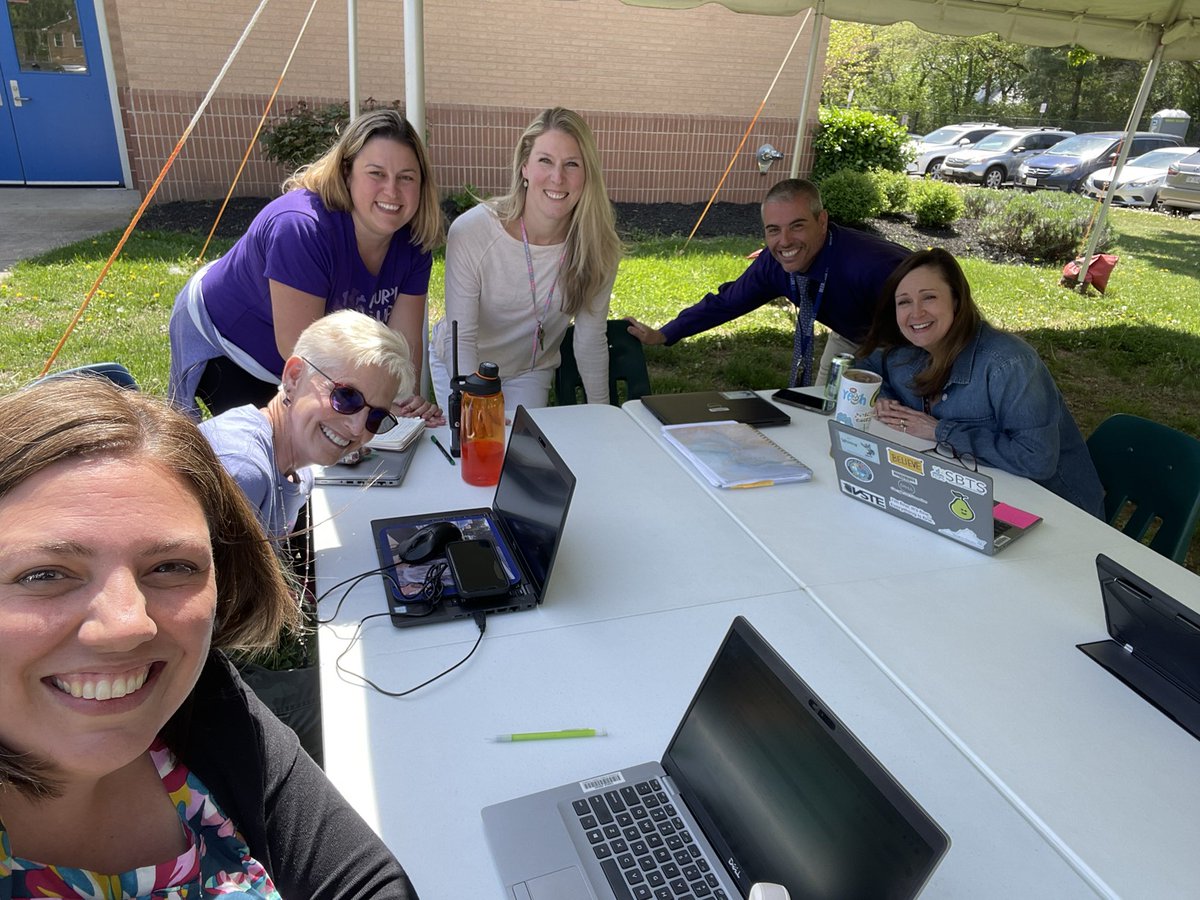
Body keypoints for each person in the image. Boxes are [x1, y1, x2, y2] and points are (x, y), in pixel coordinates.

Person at [0, 377, 417, 898]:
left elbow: (368, 883)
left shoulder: (201, 704)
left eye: (171, 566)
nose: (129, 624)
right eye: (43, 574)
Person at [169, 108, 442, 424]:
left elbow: (403, 355)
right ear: (346, 173)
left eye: (406, 177)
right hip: (230, 339)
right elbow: (302, 352)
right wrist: (371, 405)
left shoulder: (413, 245)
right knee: (278, 447)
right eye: (376, 173)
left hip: (306, 352)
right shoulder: (300, 228)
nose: (392, 191)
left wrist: (404, 403)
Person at [857, 247, 1104, 517]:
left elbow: (1036, 459)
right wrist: (882, 398)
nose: (915, 313)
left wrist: (940, 431)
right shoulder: (909, 354)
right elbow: (867, 366)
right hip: (969, 495)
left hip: (1057, 512)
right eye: (903, 302)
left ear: (957, 301)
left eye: (928, 297)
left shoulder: (1008, 364)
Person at [625, 177, 909, 387]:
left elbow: (940, 305)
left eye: (797, 226)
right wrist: (665, 334)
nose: (784, 241)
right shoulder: (774, 265)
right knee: (823, 404)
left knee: (895, 414)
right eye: (774, 230)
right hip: (850, 334)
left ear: (822, 221)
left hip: (910, 338)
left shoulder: (874, 265)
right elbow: (726, 303)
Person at [430, 107, 622, 410]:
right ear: (524, 168)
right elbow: (462, 339)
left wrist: (604, 413)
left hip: (529, 370)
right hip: (464, 365)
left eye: (572, 164)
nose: (557, 178)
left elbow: (589, 340)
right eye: (545, 161)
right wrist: (474, 412)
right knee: (474, 449)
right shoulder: (473, 232)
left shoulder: (598, 246)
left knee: (521, 452)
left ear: (587, 175)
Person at [200, 309, 414, 540]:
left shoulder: (301, 470)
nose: (357, 428)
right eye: (346, 397)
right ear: (294, 377)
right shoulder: (242, 471)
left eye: (376, 417)